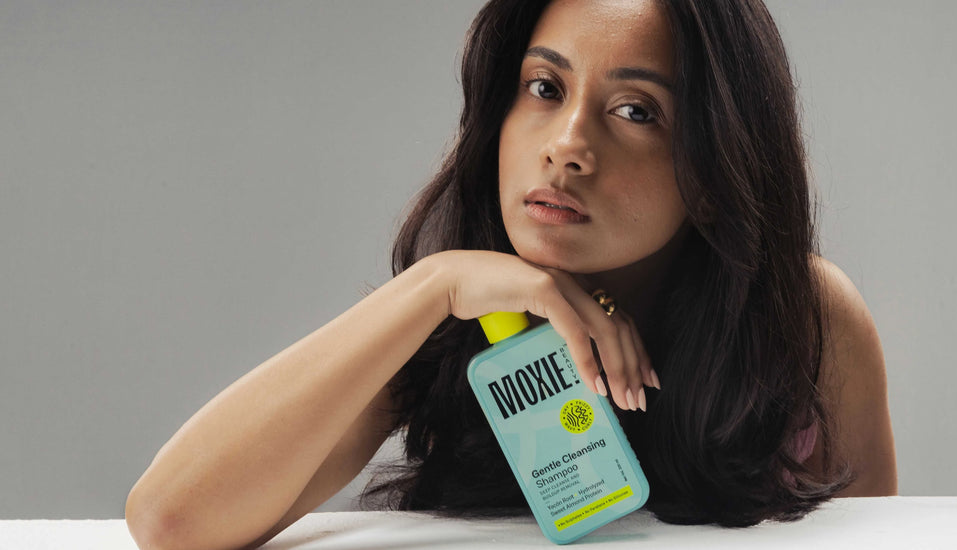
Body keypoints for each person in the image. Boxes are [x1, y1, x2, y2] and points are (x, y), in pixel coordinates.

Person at [125, 0, 897, 548]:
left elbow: (884, 538)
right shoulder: (445, 329)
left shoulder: (806, 317)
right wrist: (433, 287)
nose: (566, 145)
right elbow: (170, 521)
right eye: (545, 88)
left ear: (717, 165)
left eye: (635, 111)